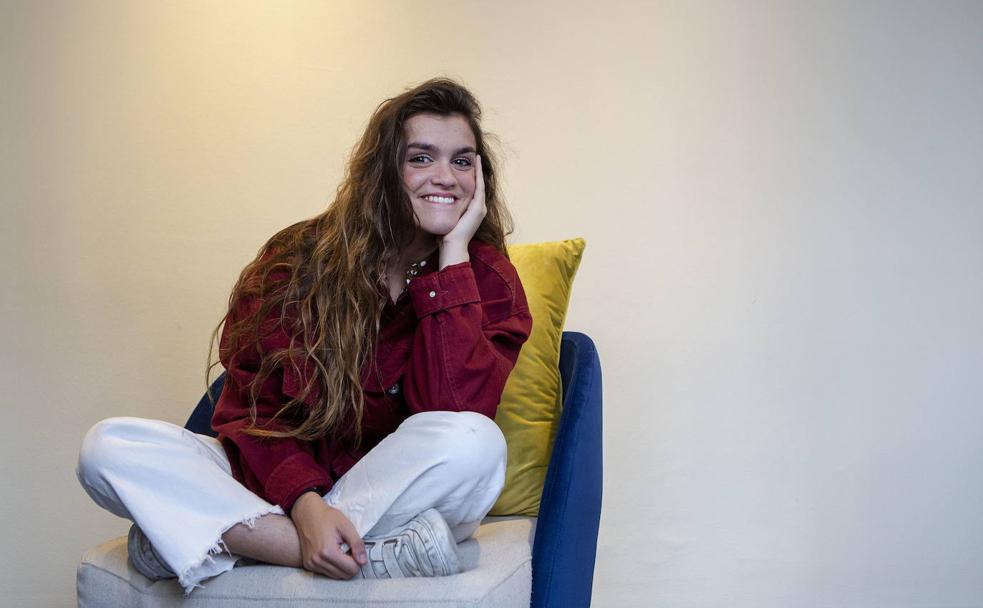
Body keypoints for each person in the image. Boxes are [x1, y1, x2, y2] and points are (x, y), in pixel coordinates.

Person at [76, 78, 533, 593]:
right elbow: (252, 410)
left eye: (462, 161)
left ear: (480, 177)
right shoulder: (298, 258)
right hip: (274, 487)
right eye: (421, 158)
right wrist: (305, 504)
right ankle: (361, 555)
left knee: (475, 443)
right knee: (108, 448)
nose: (446, 177)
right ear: (383, 170)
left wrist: (451, 261)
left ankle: (215, 539)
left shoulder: (488, 280)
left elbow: (451, 407)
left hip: (393, 492)